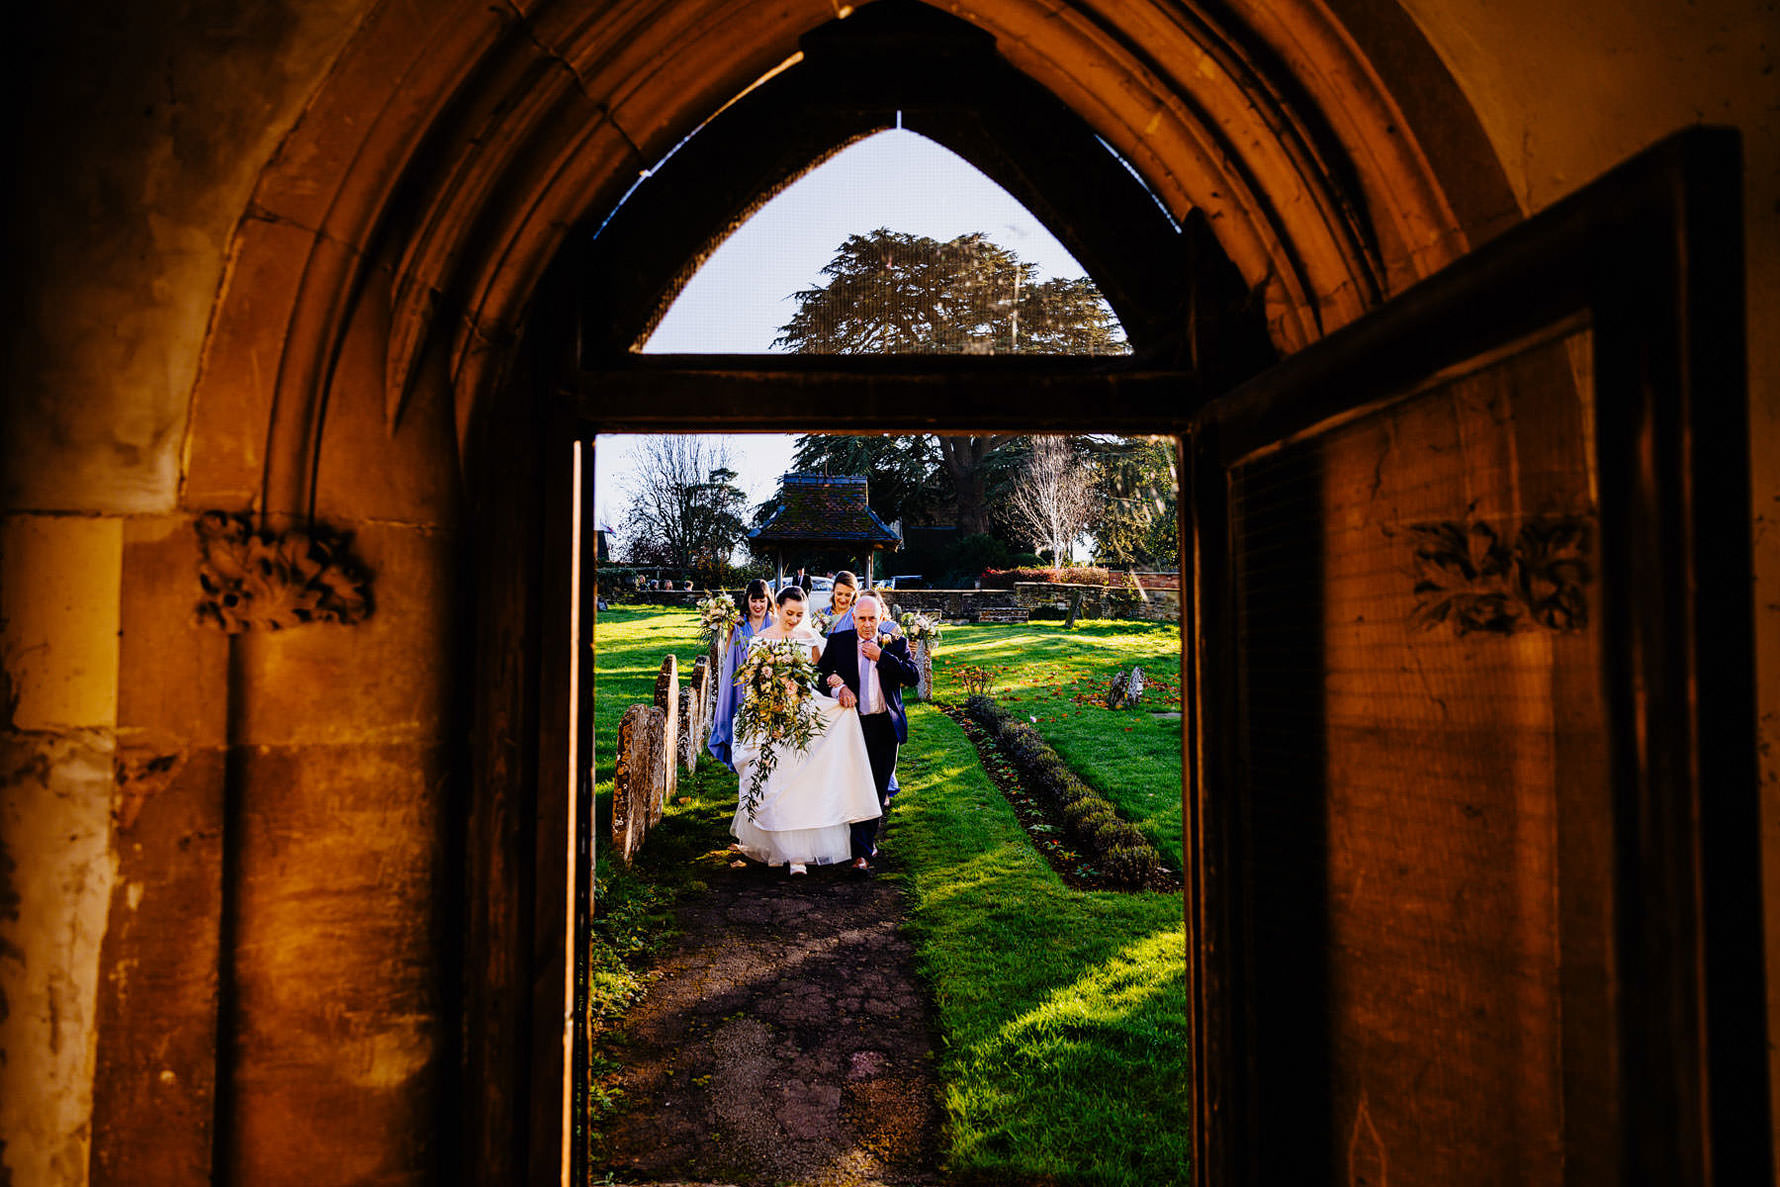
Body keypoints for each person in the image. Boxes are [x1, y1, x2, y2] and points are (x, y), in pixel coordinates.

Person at [730, 586, 881, 875]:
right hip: (771, 715)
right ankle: (777, 848)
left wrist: (838, 685)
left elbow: (822, 675)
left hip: (802, 714)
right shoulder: (760, 641)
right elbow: (752, 684)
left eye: (800, 614)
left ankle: (800, 853)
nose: (794, 619)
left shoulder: (812, 638)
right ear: (778, 609)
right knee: (774, 780)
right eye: (789, 613)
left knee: (801, 778)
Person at [816, 594, 918, 873]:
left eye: (872, 618)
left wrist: (881, 656)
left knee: (877, 787)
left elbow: (912, 676)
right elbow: (820, 676)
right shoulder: (839, 642)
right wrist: (838, 687)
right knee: (854, 784)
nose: (867, 624)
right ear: (853, 619)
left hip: (886, 725)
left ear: (880, 618)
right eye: (861, 619)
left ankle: (863, 844)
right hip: (853, 726)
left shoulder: (894, 643)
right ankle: (860, 851)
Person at [708, 579, 774, 770]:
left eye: (762, 600)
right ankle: (744, 768)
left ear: (768, 601)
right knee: (742, 729)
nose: (758, 605)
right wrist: (729, 630)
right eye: (754, 600)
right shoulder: (739, 622)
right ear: (748, 600)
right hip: (742, 686)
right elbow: (730, 653)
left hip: (766, 685)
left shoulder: (773, 622)